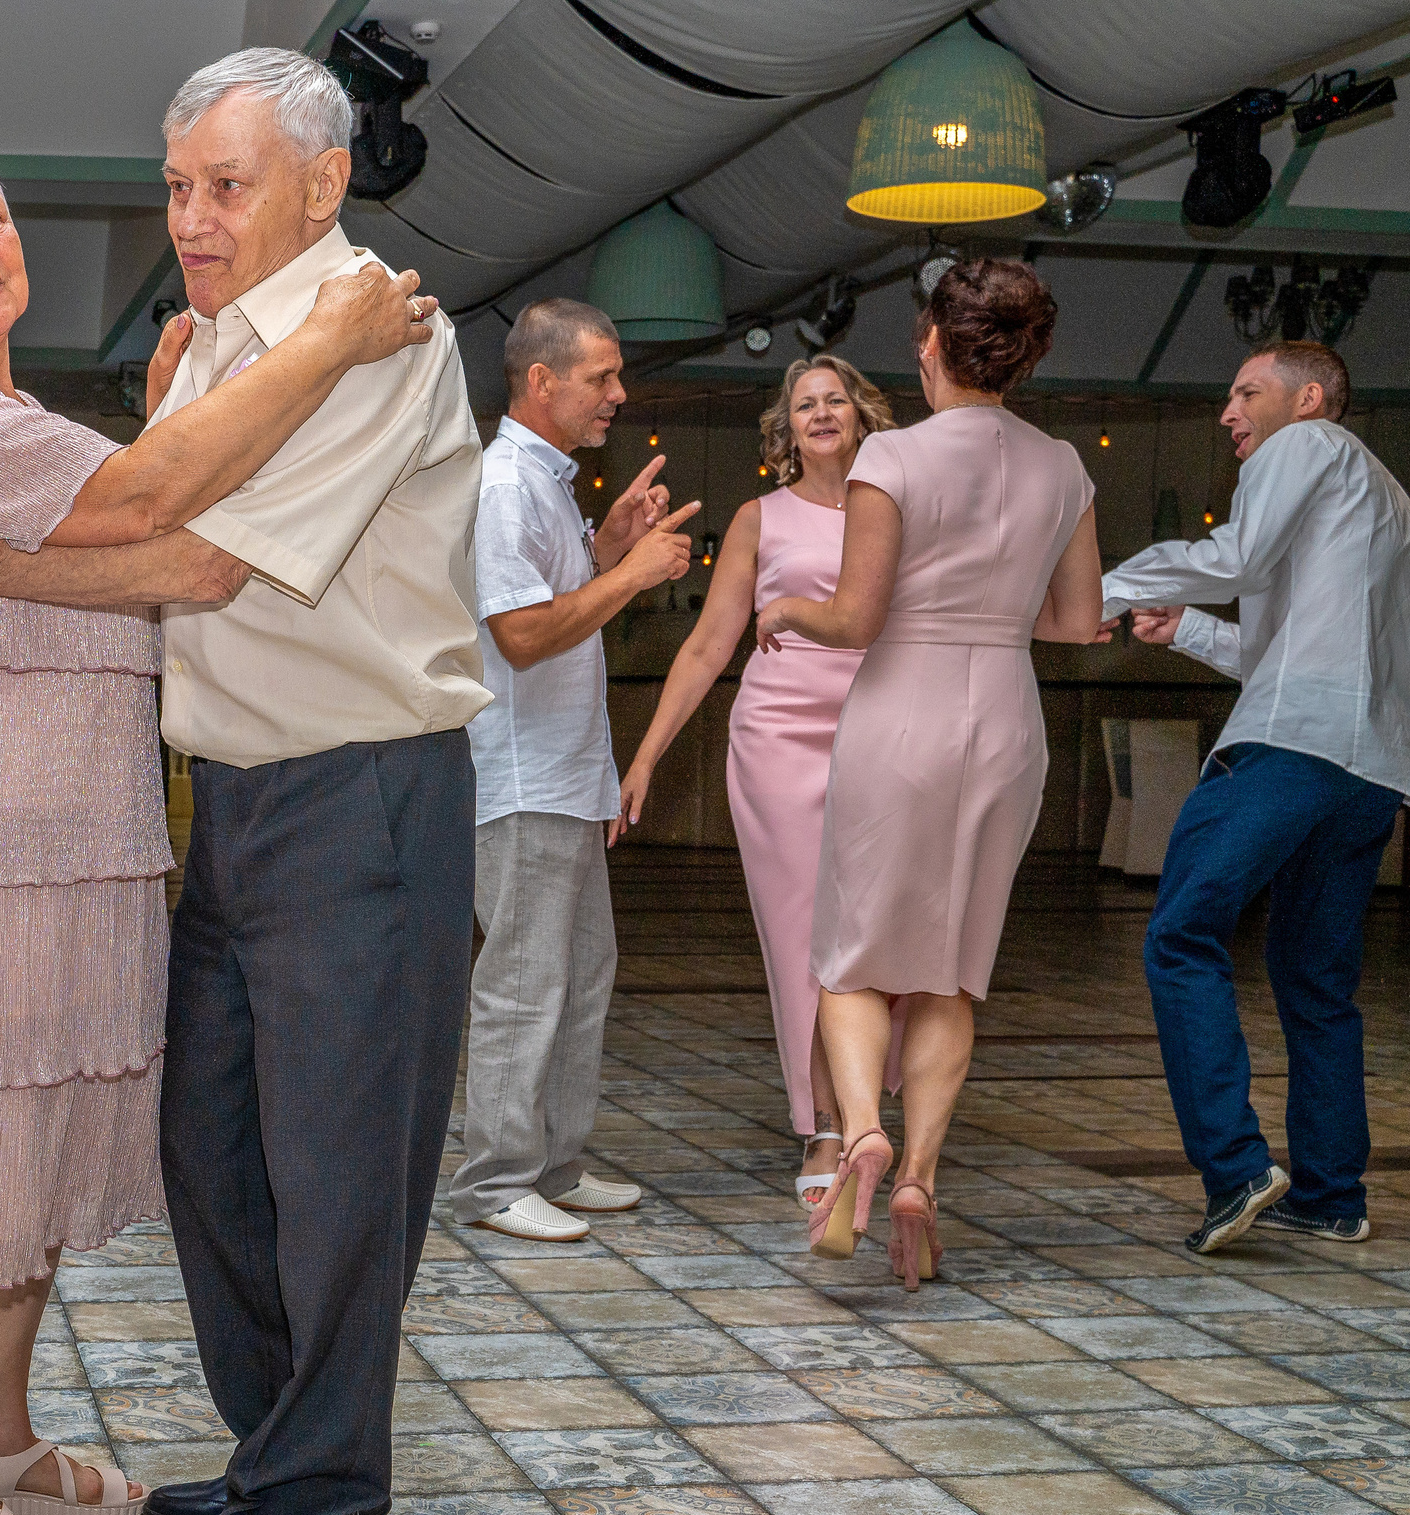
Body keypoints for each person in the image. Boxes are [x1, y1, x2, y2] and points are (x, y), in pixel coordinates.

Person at [0, 49, 484, 1515]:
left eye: (224, 185)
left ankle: (315, 1499)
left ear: (323, 182)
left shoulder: (364, 337)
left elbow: (198, 561)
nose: (188, 215)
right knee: (217, 1156)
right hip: (231, 804)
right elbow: (137, 529)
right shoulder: (216, 354)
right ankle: (274, 1443)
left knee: (336, 1170)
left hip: (358, 788)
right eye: (173, 185)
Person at [754, 259, 1108, 1291]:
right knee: (953, 966)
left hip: (900, 715)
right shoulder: (1063, 469)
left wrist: (786, 612)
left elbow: (854, 618)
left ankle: (859, 1134)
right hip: (1003, 719)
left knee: (852, 955)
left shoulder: (892, 460)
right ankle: (917, 1175)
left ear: (932, 345)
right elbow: (1077, 625)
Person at [1103, 340, 1408, 1251]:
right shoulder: (1388, 496)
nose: (1229, 413)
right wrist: (1186, 628)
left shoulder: (1305, 448)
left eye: (1247, 393)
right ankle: (1331, 1193)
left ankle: (1236, 1169)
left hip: (1284, 750)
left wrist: (1106, 587)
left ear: (1308, 399)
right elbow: (1292, 650)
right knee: (1317, 983)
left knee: (1180, 935)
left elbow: (1235, 558)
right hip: (1369, 769)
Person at [615, 355, 900, 1208]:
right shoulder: (758, 519)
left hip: (882, 736)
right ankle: (822, 1124)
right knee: (799, 935)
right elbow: (707, 647)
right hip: (778, 739)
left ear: (860, 416)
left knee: (874, 933)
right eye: (803, 404)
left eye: (834, 400)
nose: (819, 413)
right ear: (788, 429)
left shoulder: (897, 512)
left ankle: (867, 1112)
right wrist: (647, 753)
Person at [454, 298, 699, 1243]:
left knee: (580, 976)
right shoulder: (506, 482)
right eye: (602, 377)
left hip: (561, 774)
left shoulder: (547, 483)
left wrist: (603, 550)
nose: (619, 394)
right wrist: (629, 578)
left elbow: (543, 605)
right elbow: (518, 637)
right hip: (520, 779)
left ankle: (553, 1166)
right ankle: (495, 1181)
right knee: (525, 984)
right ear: (541, 381)